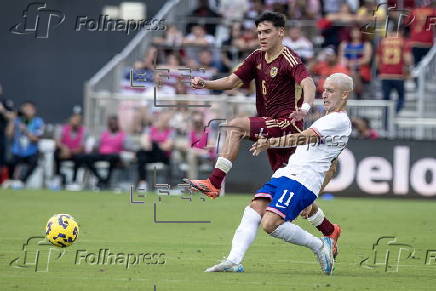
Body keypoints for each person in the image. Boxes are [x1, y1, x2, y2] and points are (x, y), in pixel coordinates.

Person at [185, 11, 342, 257]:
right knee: (300, 200)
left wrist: (305, 109)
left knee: (236, 126)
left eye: (267, 31)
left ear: (281, 32)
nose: (261, 36)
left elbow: (309, 84)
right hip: (275, 133)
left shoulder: (289, 58)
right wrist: (206, 84)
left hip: (287, 125)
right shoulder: (256, 57)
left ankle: (214, 182)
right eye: (259, 32)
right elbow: (232, 81)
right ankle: (330, 230)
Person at [205, 73, 353, 275]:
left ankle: (319, 246)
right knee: (253, 209)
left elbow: (303, 138)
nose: (324, 94)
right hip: (287, 174)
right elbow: (331, 163)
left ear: (345, 95)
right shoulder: (329, 120)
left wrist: (270, 143)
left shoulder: (338, 120)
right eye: (324, 89)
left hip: (301, 180)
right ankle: (233, 260)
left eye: (330, 90)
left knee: (270, 223)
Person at [6, 101, 44, 188]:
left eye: (29, 109)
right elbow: (8, 134)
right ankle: (12, 181)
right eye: (25, 108)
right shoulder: (17, 120)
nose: (27, 111)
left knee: (34, 163)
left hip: (31, 151)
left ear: (34, 111)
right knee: (9, 161)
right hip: (17, 151)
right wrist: (12, 120)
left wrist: (25, 130)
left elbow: (36, 139)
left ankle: (22, 182)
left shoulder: (38, 121)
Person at [82, 116, 126, 189]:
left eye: (114, 123)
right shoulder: (104, 134)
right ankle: (101, 179)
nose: (112, 125)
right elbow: (96, 145)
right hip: (102, 154)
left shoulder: (123, 135)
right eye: (111, 123)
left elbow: (128, 147)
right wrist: (93, 148)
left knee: (114, 158)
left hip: (113, 155)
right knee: (87, 157)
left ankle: (107, 180)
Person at [136, 111, 174, 191]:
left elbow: (167, 146)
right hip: (150, 154)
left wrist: (154, 144)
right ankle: (143, 183)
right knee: (141, 156)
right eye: (162, 119)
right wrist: (155, 144)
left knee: (145, 150)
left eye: (166, 120)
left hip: (163, 156)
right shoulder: (150, 129)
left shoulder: (171, 132)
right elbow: (144, 142)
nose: (164, 122)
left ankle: (143, 183)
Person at [377, 29, 413, 113]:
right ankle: (394, 114)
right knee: (401, 98)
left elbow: (377, 59)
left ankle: (386, 121)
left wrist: (381, 71)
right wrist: (408, 70)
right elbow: (407, 59)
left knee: (385, 100)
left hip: (385, 75)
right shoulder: (402, 41)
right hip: (398, 75)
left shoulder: (382, 41)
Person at [53, 112, 86, 186]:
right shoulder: (62, 129)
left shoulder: (83, 131)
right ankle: (57, 177)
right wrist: (64, 149)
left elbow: (82, 147)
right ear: (70, 120)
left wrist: (70, 152)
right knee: (56, 153)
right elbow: (57, 142)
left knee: (79, 157)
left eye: (78, 120)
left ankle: (74, 181)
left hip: (75, 153)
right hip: (63, 152)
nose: (76, 122)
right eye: (74, 120)